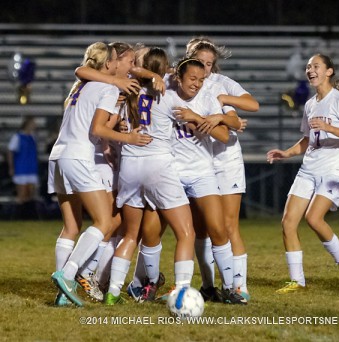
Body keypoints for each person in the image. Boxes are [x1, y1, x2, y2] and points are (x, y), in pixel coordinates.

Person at [49, 42, 152, 307]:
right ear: (111, 63)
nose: (131, 69)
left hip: (58, 155)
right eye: (127, 62)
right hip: (78, 156)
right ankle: (69, 274)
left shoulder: (81, 86)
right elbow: (98, 129)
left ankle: (63, 295)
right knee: (105, 222)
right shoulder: (107, 86)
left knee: (71, 226)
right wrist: (128, 137)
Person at [104, 48, 197, 305]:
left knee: (131, 235)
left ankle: (112, 293)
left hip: (130, 167)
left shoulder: (126, 92)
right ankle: (182, 292)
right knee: (186, 233)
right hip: (159, 165)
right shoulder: (167, 95)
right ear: (163, 68)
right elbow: (188, 119)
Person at [266, 54, 339, 293]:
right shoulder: (310, 104)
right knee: (288, 222)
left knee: (313, 219)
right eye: (308, 66)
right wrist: (287, 153)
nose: (310, 70)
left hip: (334, 169)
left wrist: (330, 127)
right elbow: (308, 139)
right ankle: (297, 281)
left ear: (329, 71)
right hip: (309, 168)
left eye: (315, 66)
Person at [184, 38, 258, 302]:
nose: (204, 69)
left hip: (226, 161)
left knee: (228, 226)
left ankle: (239, 286)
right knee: (201, 228)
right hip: (198, 162)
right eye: (200, 62)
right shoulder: (181, 82)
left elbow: (246, 111)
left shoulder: (220, 83)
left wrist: (223, 108)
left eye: (209, 64)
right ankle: (208, 285)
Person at [7, 117, 38, 206]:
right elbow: (10, 152)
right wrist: (11, 167)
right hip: (21, 168)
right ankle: (17, 215)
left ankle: (28, 214)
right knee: (22, 193)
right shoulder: (17, 137)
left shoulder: (33, 137)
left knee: (31, 193)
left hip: (32, 168)